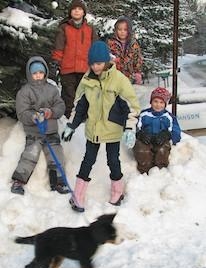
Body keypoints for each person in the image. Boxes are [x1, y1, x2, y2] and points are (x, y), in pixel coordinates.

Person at [62, 41, 140, 212]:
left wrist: (129, 128)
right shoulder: (87, 80)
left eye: (98, 63)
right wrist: (71, 125)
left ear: (106, 61)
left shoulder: (119, 80)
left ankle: (118, 192)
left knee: (113, 160)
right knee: (88, 160)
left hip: (112, 129)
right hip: (94, 129)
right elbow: (79, 105)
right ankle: (78, 195)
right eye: (92, 63)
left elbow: (132, 106)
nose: (95, 67)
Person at [11, 56, 68, 195]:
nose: (38, 76)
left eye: (40, 73)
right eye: (35, 73)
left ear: (45, 73)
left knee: (56, 155)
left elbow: (60, 106)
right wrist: (33, 116)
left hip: (51, 131)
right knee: (30, 154)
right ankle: (18, 181)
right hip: (34, 131)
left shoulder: (52, 90)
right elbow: (22, 112)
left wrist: (51, 112)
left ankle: (58, 182)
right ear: (30, 74)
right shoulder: (24, 92)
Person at [50, 0, 98, 118]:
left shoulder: (90, 29)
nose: (77, 11)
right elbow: (59, 46)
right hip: (67, 68)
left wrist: (97, 63)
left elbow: (95, 47)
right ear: (70, 12)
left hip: (85, 68)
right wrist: (56, 61)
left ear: (84, 13)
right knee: (68, 95)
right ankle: (67, 116)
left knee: (83, 94)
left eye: (80, 9)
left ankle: (83, 117)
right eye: (74, 9)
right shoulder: (64, 28)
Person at [133, 87, 181, 174]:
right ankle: (145, 170)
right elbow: (134, 127)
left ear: (165, 104)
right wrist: (140, 134)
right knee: (142, 150)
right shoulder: (144, 114)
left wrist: (167, 135)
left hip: (160, 139)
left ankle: (160, 170)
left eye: (161, 102)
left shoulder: (169, 117)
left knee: (162, 150)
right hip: (146, 139)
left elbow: (176, 132)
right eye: (155, 101)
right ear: (151, 102)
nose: (158, 105)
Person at [107, 16, 143, 84]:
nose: (122, 32)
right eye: (120, 29)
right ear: (116, 30)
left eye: (125, 30)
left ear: (129, 31)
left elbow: (138, 59)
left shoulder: (134, 44)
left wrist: (137, 72)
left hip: (129, 77)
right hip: (114, 77)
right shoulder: (111, 43)